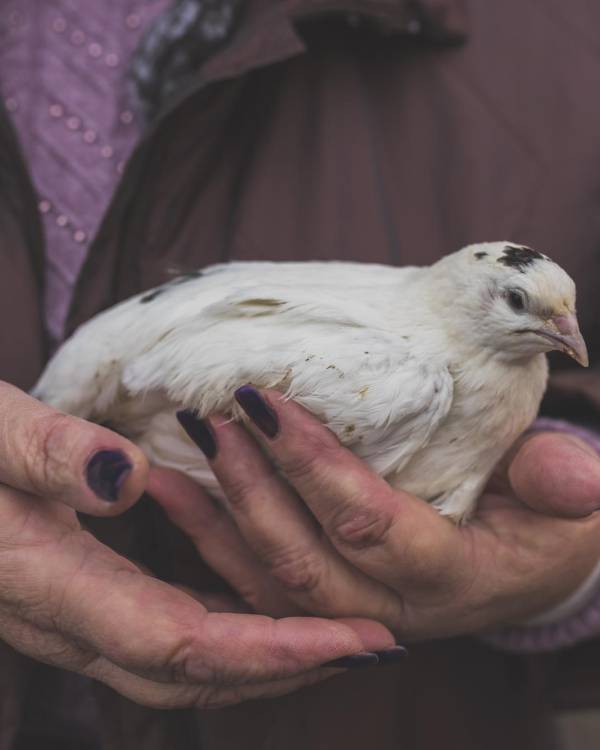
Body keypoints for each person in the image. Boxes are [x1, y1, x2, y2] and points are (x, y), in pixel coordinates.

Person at [1, 1, 600, 748]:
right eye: (524, 307)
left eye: (563, 319)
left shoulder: (565, 41)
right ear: (478, 292)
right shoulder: (402, 378)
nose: (562, 332)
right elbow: (139, 398)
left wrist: (573, 569)